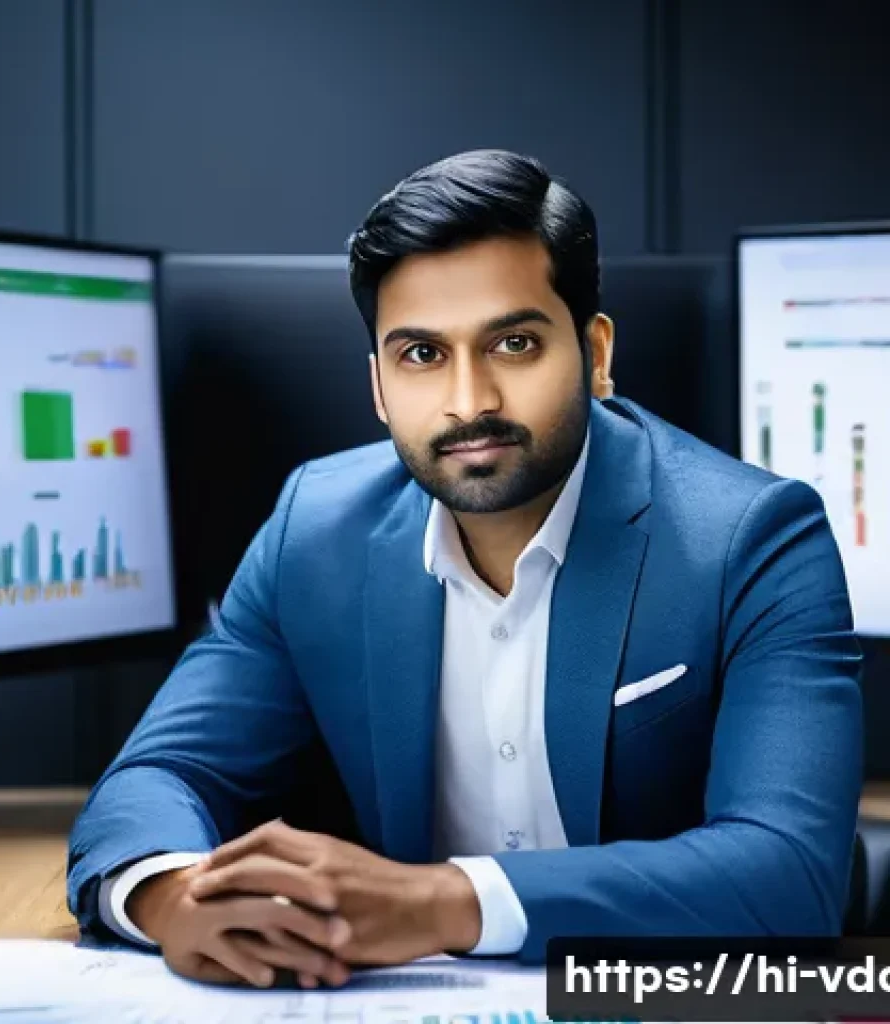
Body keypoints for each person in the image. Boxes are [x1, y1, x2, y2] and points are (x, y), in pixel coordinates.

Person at [67, 149, 863, 990]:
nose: (469, 400)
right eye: (420, 356)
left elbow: (790, 876)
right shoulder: (316, 529)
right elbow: (163, 773)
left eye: (513, 343)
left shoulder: (757, 537)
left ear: (594, 353)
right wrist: (170, 894)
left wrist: (442, 903)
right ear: (378, 386)